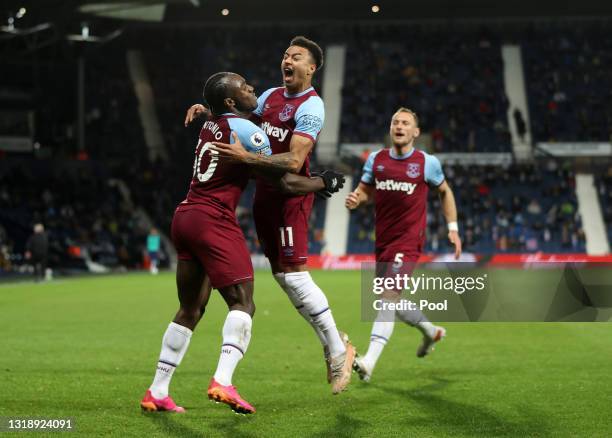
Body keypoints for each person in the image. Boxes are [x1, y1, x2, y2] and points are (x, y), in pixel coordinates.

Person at [141, 72, 344, 415]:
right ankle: (222, 380)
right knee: (243, 303)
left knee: (190, 309)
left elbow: (226, 123)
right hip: (213, 220)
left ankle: (157, 390)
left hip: (186, 215)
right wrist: (321, 182)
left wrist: (209, 112)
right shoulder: (250, 133)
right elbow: (282, 182)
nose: (253, 89)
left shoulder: (213, 125)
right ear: (232, 101)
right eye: (245, 87)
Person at [186, 36, 355, 394]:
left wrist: (246, 159)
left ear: (311, 68)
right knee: (283, 278)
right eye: (285, 55)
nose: (287, 60)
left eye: (296, 57)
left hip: (289, 200)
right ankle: (334, 343)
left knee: (294, 278)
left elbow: (294, 162)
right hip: (264, 197)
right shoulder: (269, 97)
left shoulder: (311, 107)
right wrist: (209, 111)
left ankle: (338, 350)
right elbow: (239, 122)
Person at [345, 108, 462, 382]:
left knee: (387, 297)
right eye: (395, 122)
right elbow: (365, 190)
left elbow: (445, 191)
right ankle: (431, 331)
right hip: (383, 240)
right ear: (390, 128)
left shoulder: (426, 163)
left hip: (409, 240)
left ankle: (369, 362)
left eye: (405, 123)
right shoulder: (376, 160)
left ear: (415, 132)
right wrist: (356, 199)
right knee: (391, 300)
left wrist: (453, 229)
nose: (399, 126)